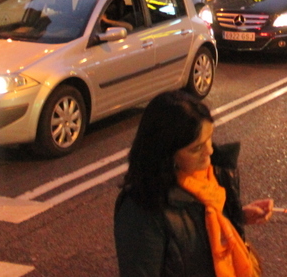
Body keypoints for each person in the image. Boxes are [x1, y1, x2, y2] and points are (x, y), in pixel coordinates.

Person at [115, 91, 274, 277]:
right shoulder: (141, 210)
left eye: (210, 137)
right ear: (167, 153)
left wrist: (238, 216)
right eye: (196, 148)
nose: (210, 151)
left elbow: (199, 226)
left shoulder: (212, 174)